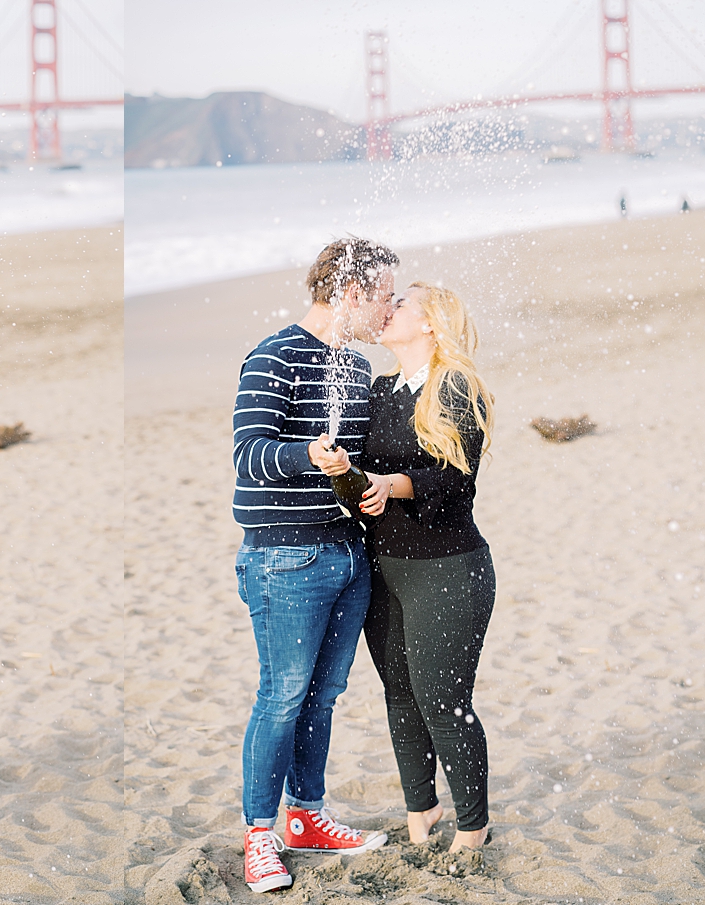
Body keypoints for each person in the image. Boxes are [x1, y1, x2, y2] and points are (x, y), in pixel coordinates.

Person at [232, 238, 398, 893]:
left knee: (323, 696)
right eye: (383, 294)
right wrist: (307, 453)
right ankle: (258, 834)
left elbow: (360, 460)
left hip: (348, 552)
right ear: (350, 292)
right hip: (283, 555)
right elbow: (249, 454)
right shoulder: (273, 355)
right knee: (280, 697)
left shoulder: (355, 368)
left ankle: (305, 816)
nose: (389, 307)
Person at [323, 282, 496, 852]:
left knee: (443, 702)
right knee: (400, 695)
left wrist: (390, 485)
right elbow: (364, 484)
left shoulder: (457, 387)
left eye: (400, 303)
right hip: (384, 568)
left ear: (430, 324)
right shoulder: (378, 390)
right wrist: (347, 473)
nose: (386, 309)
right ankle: (421, 812)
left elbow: (453, 482)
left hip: (448, 569)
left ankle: (473, 828)